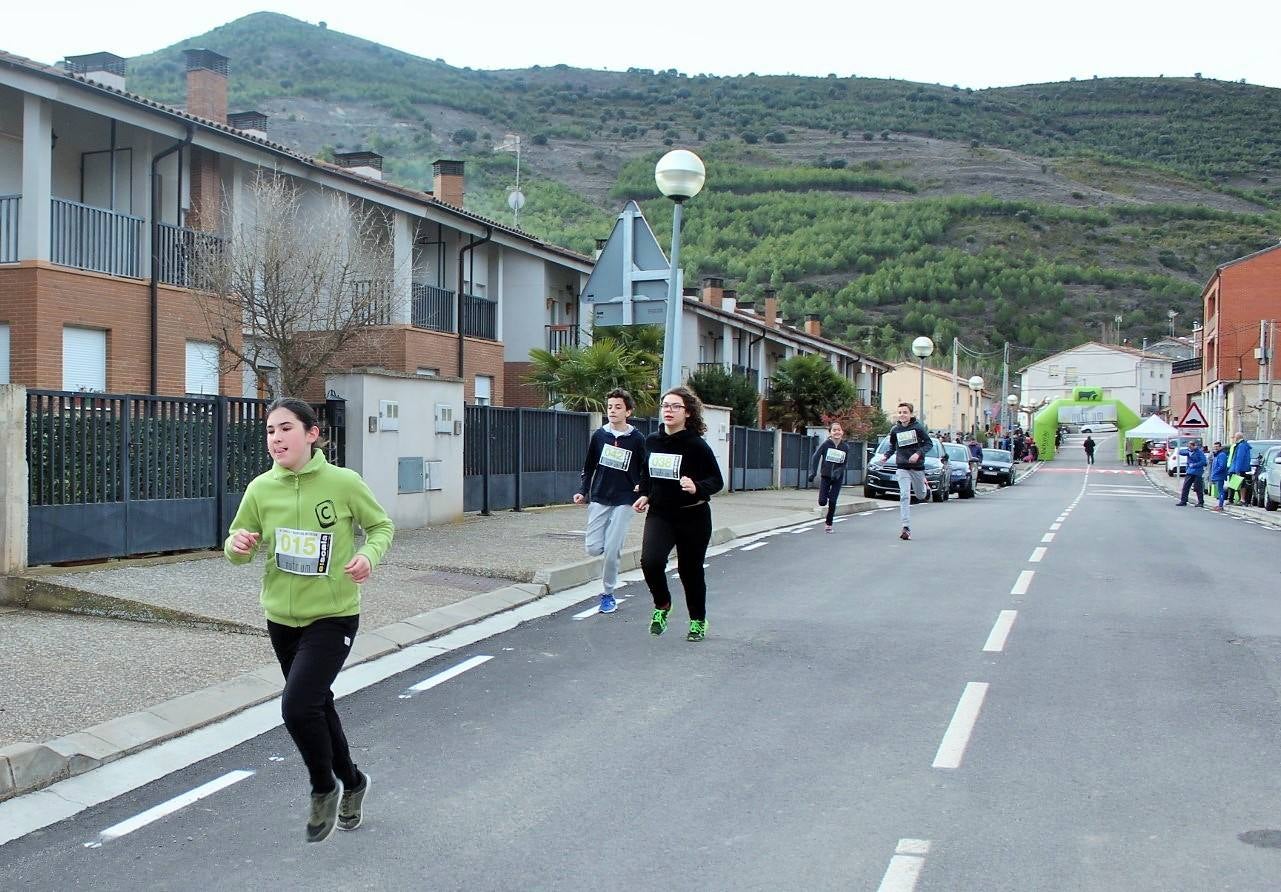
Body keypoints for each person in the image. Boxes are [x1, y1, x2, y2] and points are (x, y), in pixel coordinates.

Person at [225, 397, 394, 843]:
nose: (275, 438)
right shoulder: (261, 488)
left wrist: (367, 556)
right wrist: (237, 545)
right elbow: (236, 544)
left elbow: (381, 527)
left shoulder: (343, 482)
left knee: (298, 706)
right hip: (281, 617)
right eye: (269, 431)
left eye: (285, 429)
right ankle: (354, 782)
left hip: (334, 616)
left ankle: (325, 788)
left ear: (312, 434)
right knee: (318, 705)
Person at [634, 386, 724, 642]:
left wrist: (697, 487)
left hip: (693, 516)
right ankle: (662, 605)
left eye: (675, 406)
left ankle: (697, 620)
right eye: (665, 406)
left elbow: (716, 481)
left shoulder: (697, 445)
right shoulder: (652, 441)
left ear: (687, 412)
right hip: (661, 514)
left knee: (690, 570)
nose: (669, 411)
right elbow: (647, 475)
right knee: (650, 562)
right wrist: (644, 494)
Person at [573, 388, 647, 614]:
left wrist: (643, 489)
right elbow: (589, 466)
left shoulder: (637, 439)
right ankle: (608, 547)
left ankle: (608, 593)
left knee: (613, 549)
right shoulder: (600, 436)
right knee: (594, 548)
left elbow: (645, 468)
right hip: (600, 496)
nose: (612, 411)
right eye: (610, 407)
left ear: (628, 411)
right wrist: (583, 491)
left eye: (618, 407)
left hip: (626, 499)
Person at [879, 401, 933, 541]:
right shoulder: (895, 430)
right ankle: (906, 527)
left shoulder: (918, 428)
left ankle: (925, 487)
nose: (902, 415)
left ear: (911, 414)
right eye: (900, 412)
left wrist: (918, 454)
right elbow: (892, 446)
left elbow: (929, 444)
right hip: (902, 466)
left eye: (905, 412)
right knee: (904, 496)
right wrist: (886, 456)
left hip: (917, 468)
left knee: (921, 496)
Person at [809, 420, 854, 532]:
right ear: (830, 433)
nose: (837, 432)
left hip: (837, 478)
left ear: (842, 432)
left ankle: (829, 524)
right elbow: (815, 457)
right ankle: (825, 496)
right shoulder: (825, 444)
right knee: (822, 502)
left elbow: (845, 463)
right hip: (826, 476)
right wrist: (813, 472)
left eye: (839, 430)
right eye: (834, 430)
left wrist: (839, 471)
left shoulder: (845, 447)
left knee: (833, 501)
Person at [1176, 440, 1206, 507]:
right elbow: (1180, 452)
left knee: (1198, 487)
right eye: (1189, 446)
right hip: (1190, 471)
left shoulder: (1199, 452)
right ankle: (1183, 501)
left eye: (1191, 446)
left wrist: (1195, 465)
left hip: (1197, 472)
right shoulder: (1189, 451)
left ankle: (1201, 502)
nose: (1190, 448)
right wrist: (1188, 450)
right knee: (1185, 487)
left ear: (1195, 446)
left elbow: (1204, 461)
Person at [1227, 432, 1252, 505]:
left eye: (1234, 437)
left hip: (1238, 468)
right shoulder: (1242, 445)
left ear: (1237, 437)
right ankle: (1239, 499)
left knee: (1240, 484)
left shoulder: (1241, 446)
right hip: (1238, 467)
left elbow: (1239, 458)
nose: (1233, 439)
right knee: (1238, 483)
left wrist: (1237, 470)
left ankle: (1241, 500)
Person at [1210, 440, 1229, 511]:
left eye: (1217, 447)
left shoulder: (1222, 455)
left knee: (1221, 491)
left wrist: (1215, 472)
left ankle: (1221, 506)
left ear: (1220, 447)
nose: (1216, 448)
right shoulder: (1216, 455)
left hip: (1219, 476)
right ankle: (1219, 505)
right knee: (1219, 491)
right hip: (1216, 476)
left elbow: (1222, 466)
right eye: (1215, 447)